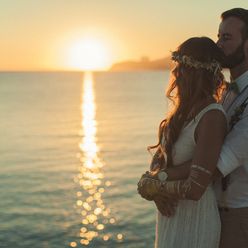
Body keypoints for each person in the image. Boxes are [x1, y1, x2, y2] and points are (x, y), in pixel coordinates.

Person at [142, 7, 248, 248]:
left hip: (238, 215)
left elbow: (213, 167)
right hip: (205, 208)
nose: (219, 44)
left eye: (227, 38)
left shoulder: (218, 109)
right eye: (219, 36)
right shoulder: (226, 96)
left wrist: (157, 183)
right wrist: (155, 180)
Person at [138, 36, 227, 248]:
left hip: (195, 223)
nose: (175, 73)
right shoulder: (180, 114)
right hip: (171, 218)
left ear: (198, 72)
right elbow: (159, 161)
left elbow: (196, 188)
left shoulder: (212, 116)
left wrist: (156, 186)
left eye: (182, 66)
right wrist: (152, 187)